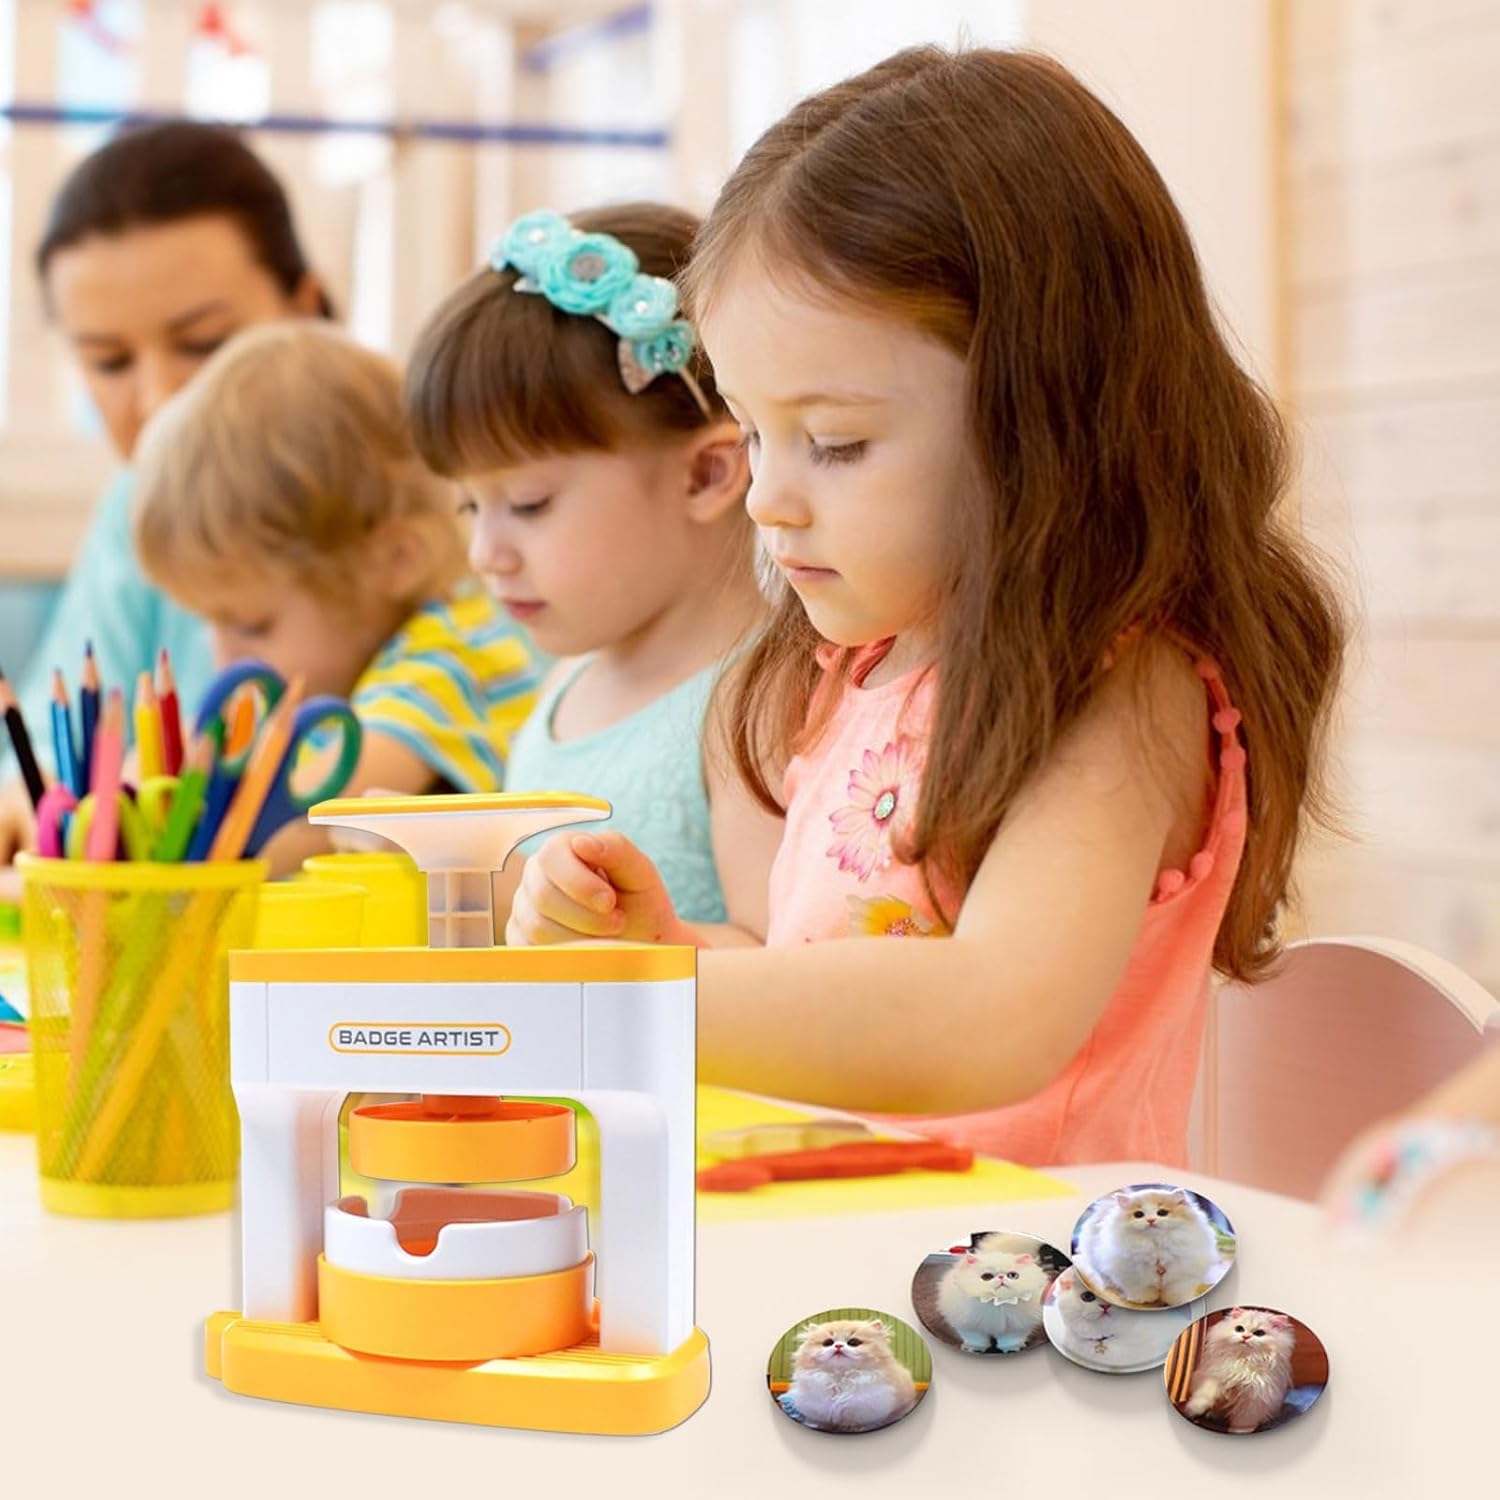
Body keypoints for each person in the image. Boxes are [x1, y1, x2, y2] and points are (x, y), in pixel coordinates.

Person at [506, 49, 1346, 1167]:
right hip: (853, 1243)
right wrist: (664, 953)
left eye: (835, 442)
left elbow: (988, 1018)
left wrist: (642, 1007)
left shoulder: (1125, 692)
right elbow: (824, 981)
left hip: (1027, 1265)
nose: (766, 496)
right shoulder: (857, 675)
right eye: (753, 432)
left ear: (1043, 417)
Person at [406, 202, 780, 936]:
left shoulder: (753, 709)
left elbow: (779, 962)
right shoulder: (566, 685)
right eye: (470, 507)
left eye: (529, 503)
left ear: (706, 474)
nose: (484, 552)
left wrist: (516, 898)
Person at [0, 120, 330, 861]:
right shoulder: (134, 507)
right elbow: (52, 752)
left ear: (306, 309)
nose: (158, 400)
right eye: (109, 361)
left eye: (203, 344)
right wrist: (32, 796)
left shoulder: (416, 494)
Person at [132, 321, 538, 875]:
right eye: (210, 624)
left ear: (394, 560)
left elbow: (317, 821)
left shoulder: (452, 655)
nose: (224, 658)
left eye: (252, 625)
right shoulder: (363, 669)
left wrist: (162, 820)